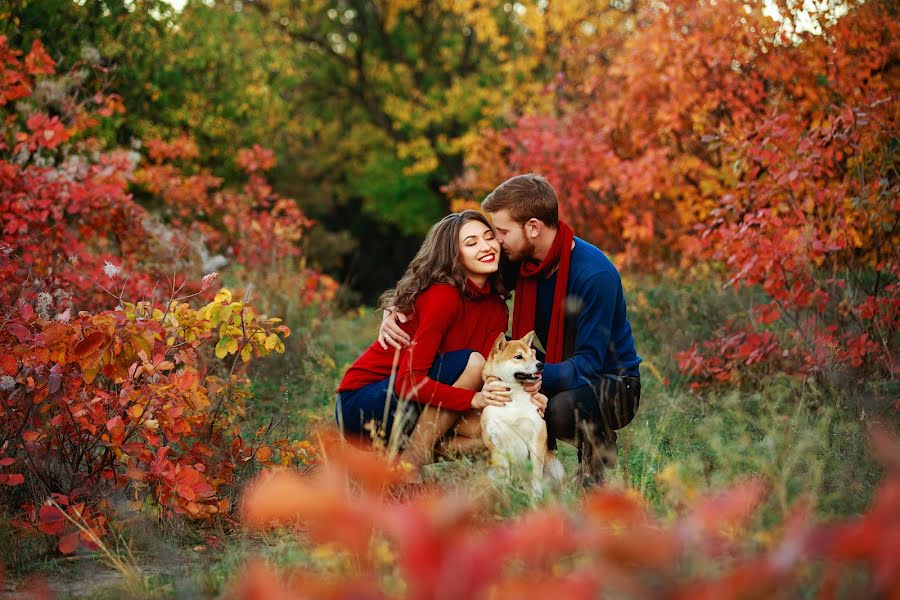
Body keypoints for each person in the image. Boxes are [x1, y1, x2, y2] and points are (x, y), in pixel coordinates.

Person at [380, 174, 642, 485]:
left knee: (558, 408)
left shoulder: (594, 274)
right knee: (495, 377)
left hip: (612, 382)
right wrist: (398, 305)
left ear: (533, 227)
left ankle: (596, 464)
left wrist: (535, 378)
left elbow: (590, 364)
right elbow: (449, 267)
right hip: (552, 364)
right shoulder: (520, 259)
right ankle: (478, 463)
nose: (495, 240)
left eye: (501, 231)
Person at [336, 210, 548, 483]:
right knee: (473, 362)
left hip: (420, 402)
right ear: (453, 255)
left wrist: (530, 396)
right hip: (364, 403)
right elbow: (408, 383)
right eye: (471, 243)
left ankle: (395, 464)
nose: (485, 247)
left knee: (497, 428)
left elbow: (489, 376)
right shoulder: (443, 296)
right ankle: (409, 469)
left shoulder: (495, 307)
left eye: (488, 237)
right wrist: (472, 400)